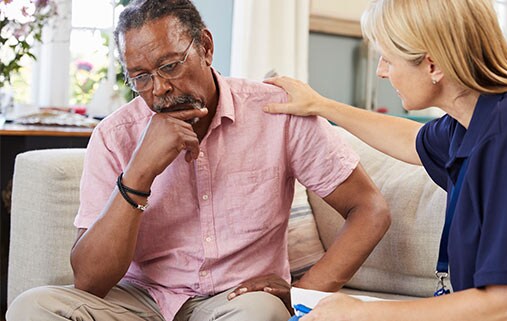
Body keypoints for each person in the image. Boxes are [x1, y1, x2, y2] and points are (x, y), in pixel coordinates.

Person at [5, 1, 392, 320]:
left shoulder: (277, 113)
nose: (159, 90)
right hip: (141, 302)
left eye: (170, 66)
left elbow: (369, 208)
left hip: (237, 300)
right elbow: (90, 281)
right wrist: (140, 171)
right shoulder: (114, 135)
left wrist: (305, 291)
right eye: (140, 77)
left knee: (261, 315)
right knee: (32, 307)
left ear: (205, 46)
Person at [263, 0, 507, 320]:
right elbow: (412, 140)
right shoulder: (474, 119)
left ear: (433, 65)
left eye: (387, 59)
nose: (381, 72)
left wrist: (361, 313)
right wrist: (321, 105)